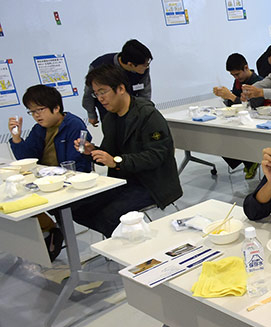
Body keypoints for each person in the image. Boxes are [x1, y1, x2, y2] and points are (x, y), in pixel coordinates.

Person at [71, 65, 182, 237]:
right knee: (78, 208)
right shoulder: (110, 118)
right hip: (122, 181)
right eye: (96, 94)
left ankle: (124, 245)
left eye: (103, 92)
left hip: (152, 184)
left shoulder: (148, 115)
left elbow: (156, 155)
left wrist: (115, 161)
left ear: (121, 88)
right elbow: (110, 153)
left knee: (109, 216)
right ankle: (119, 240)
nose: (100, 98)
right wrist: (93, 152)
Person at [8, 84, 92, 260]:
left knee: (24, 202)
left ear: (56, 108)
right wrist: (16, 138)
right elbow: (27, 158)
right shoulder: (40, 129)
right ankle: (50, 230)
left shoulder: (74, 125)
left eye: (40, 109)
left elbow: (76, 164)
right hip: (46, 182)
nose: (36, 115)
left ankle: (51, 233)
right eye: (32, 111)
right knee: (14, 200)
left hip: (68, 185)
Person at [212, 53, 263, 179]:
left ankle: (250, 159)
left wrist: (230, 96)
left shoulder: (258, 82)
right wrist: (225, 96)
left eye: (237, 74)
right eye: (233, 75)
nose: (236, 77)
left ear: (246, 68)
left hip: (256, 120)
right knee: (221, 135)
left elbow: (253, 106)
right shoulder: (238, 82)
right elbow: (233, 104)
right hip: (240, 119)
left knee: (233, 135)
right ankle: (248, 160)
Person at [82, 39, 153, 126]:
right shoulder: (99, 66)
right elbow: (89, 94)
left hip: (133, 111)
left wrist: (145, 112)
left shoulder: (142, 68)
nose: (147, 67)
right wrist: (91, 114)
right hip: (108, 112)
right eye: (145, 65)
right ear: (130, 64)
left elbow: (145, 92)